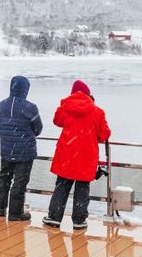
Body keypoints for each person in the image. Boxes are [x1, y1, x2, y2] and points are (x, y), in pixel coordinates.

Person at [43, 80, 111, 230]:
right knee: (82, 188)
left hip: (67, 154)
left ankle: (54, 217)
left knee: (62, 186)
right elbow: (104, 135)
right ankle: (79, 220)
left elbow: (57, 121)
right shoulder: (97, 112)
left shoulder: (66, 107)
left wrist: (64, 104)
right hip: (86, 156)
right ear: (89, 94)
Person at [0, 76, 43, 221]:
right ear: (26, 89)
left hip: (6, 148)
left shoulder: (1, 105)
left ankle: (1, 209)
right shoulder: (30, 107)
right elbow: (38, 128)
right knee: (20, 182)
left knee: (4, 177)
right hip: (25, 150)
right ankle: (15, 213)